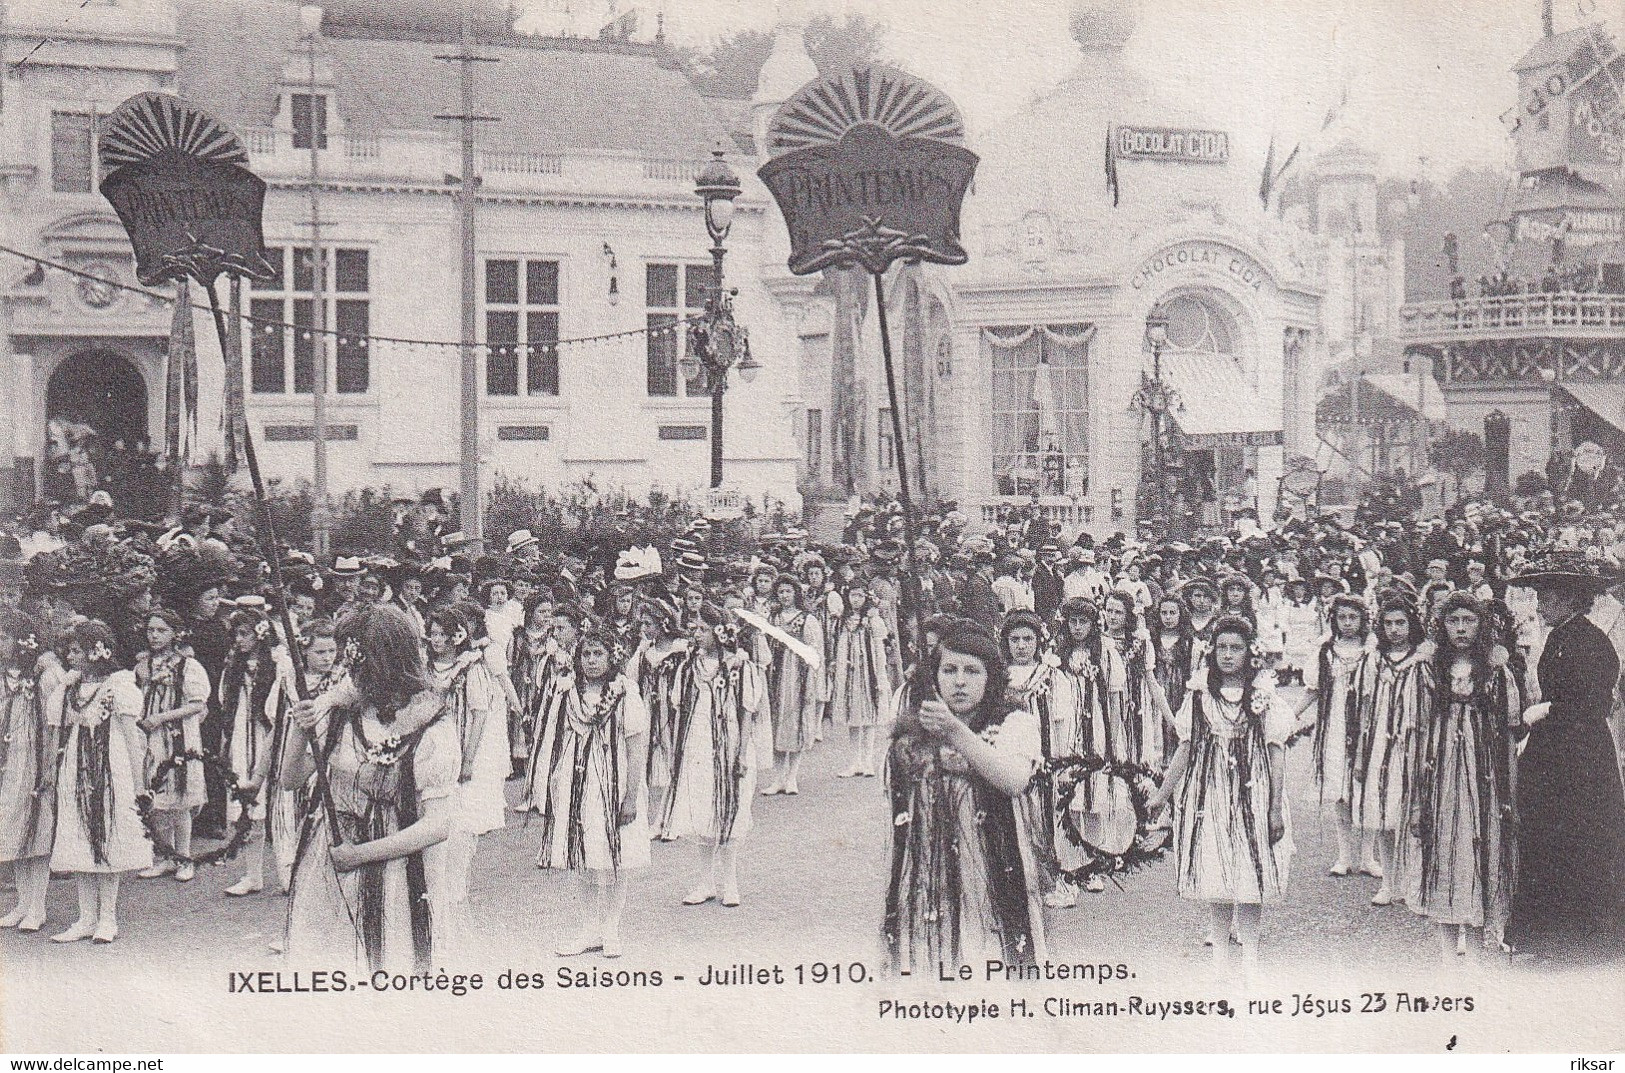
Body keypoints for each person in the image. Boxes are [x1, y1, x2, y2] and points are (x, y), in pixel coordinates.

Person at [282, 604, 458, 974]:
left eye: (358, 664)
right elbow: (291, 779)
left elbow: (437, 825)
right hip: (332, 854)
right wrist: (303, 725)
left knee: (390, 958)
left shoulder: (432, 728)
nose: (348, 673)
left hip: (395, 865)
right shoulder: (343, 714)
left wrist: (361, 854)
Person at [882, 621, 1046, 975]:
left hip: (993, 869)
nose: (959, 681)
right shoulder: (912, 735)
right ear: (935, 677)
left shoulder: (1014, 723)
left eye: (972, 671)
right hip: (931, 873)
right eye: (949, 670)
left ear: (991, 679)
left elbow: (1013, 780)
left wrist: (955, 732)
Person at [1149, 616, 1293, 971]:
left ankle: (1250, 955)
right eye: (1222, 648)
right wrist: (1163, 795)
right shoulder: (1200, 694)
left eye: (1237, 649)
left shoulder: (1263, 694)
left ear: (1249, 653)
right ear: (1212, 652)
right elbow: (1186, 746)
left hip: (1253, 787)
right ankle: (1219, 959)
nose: (1228, 656)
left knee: (1250, 870)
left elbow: (1276, 750)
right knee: (1215, 870)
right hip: (1210, 789)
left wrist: (1274, 806)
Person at [1506, 559, 1625, 965]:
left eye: (1549, 596)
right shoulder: (1561, 635)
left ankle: (1584, 937)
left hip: (1582, 755)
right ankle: (1552, 934)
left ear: (1572, 597)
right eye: (1539, 596)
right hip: (1555, 749)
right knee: (1549, 833)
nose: (1541, 604)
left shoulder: (1590, 640)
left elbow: (1596, 701)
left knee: (1580, 833)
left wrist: (1549, 709)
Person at [1398, 591, 1519, 964]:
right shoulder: (1426, 669)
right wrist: (1416, 793)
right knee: (1445, 848)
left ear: (1481, 625)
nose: (1461, 629)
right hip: (1440, 772)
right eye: (1454, 621)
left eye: (1469, 621)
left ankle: (1482, 951)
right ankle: (1449, 955)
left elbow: (1509, 731)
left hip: (1485, 774)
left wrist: (1509, 791)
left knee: (1483, 846)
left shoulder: (1497, 670)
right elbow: (1414, 731)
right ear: (1442, 625)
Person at [536, 627, 649, 959]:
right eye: (586, 654)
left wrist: (630, 796)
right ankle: (589, 929)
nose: (591, 660)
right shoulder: (568, 692)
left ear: (611, 656)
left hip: (613, 780)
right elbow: (557, 742)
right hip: (578, 779)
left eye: (598, 653)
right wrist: (555, 784)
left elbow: (635, 745)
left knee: (614, 856)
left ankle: (611, 928)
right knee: (583, 854)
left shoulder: (626, 692)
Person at [49, 619, 152, 943]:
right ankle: (85, 918)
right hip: (79, 764)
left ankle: (107, 918)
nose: (70, 656)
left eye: (77, 650)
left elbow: (132, 737)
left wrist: (138, 784)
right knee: (79, 836)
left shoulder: (118, 684)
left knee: (107, 834)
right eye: (68, 651)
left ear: (96, 651)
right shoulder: (72, 685)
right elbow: (57, 720)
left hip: (112, 764)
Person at [663, 609, 766, 907]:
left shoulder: (739, 667)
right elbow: (679, 710)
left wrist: (741, 751)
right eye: (695, 629)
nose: (697, 635)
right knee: (702, 810)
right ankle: (704, 881)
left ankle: (730, 881)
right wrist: (676, 750)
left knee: (730, 808)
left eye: (703, 630)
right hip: (698, 744)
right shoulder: (688, 667)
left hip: (729, 741)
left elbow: (747, 711)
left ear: (720, 634)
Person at [426, 604, 506, 953]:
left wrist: (469, 759)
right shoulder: (425, 668)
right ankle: (434, 908)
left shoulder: (470, 668)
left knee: (458, 829)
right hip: (431, 752)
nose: (437, 639)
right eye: (434, 632)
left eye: (444, 633)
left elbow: (478, 715)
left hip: (457, 749)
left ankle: (455, 906)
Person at [1348, 595, 1431, 907]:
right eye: (1388, 623)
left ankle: (1416, 884)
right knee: (1382, 813)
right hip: (1379, 745)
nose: (1395, 629)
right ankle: (1389, 883)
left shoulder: (1423, 662)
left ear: (1412, 625)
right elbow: (1366, 708)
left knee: (1411, 813)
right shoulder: (1373, 660)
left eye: (1401, 623)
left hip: (1411, 743)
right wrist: (1359, 755)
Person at [1293, 593, 1374, 878]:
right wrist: (1293, 715)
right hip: (1335, 724)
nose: (1348, 623)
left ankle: (1368, 856)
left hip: (1367, 723)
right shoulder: (1325, 650)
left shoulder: (1372, 649)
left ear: (1363, 619)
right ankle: (1344, 855)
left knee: (1366, 787)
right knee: (1340, 791)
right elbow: (1313, 689)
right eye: (1342, 617)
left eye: (1353, 617)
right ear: (1334, 620)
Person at [0, 610, 67, 932]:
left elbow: (54, 724)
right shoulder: (5, 673)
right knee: (12, 829)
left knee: (35, 831)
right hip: (8, 760)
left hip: (34, 760)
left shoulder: (46, 674)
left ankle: (37, 906)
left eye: (4, 638)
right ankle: (22, 903)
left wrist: (50, 766)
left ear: (23, 641)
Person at [132, 609, 209, 883]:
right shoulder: (143, 666)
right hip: (151, 738)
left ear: (174, 633)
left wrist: (162, 717)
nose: (154, 635)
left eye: (161, 630)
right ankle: (165, 856)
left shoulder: (188, 666)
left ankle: (184, 856)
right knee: (157, 801)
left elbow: (198, 704)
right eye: (151, 630)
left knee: (179, 798)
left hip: (178, 736)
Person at [762, 577, 823, 796]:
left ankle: (792, 776)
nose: (784, 596)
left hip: (797, 674)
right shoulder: (772, 617)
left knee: (794, 721)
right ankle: (778, 777)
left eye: (788, 591)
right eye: (781, 592)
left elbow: (813, 649)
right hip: (776, 674)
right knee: (777, 722)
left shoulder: (807, 619)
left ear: (796, 593)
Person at [829, 583, 891, 777]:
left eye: (859, 596)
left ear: (866, 598)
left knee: (869, 718)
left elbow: (881, 638)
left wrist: (874, 618)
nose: (855, 599)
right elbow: (836, 643)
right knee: (853, 719)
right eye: (852, 595)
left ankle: (868, 761)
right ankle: (855, 761)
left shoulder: (871, 619)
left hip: (868, 672)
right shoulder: (843, 620)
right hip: (850, 672)